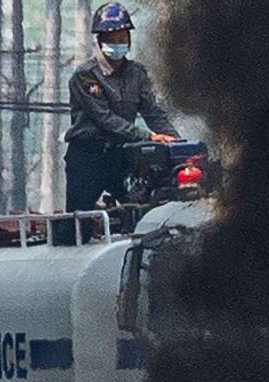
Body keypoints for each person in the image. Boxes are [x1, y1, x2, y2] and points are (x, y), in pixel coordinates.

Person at [62, 2, 178, 244]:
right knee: (78, 222)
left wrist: (175, 142)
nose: (118, 41)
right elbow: (104, 119)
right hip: (88, 155)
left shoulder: (137, 73)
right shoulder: (86, 76)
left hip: (122, 155)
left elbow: (152, 112)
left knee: (139, 209)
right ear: (100, 40)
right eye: (112, 36)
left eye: (122, 35)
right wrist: (148, 137)